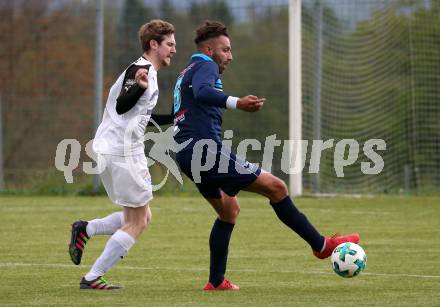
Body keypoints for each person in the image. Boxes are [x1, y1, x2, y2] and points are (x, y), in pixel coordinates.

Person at [172, 20, 360, 291]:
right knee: (277, 187)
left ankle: (215, 282)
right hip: (205, 151)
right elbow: (203, 93)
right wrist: (238, 102)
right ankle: (321, 246)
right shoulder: (205, 66)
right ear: (209, 49)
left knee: (229, 212)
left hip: (188, 154)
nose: (230, 56)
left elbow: (186, 109)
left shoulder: (185, 73)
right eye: (225, 50)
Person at [68, 19, 176, 290]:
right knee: (137, 222)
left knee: (142, 216)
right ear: (154, 44)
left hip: (114, 149)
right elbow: (122, 104)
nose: (174, 49)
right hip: (123, 152)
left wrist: (177, 117)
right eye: (170, 44)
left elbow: (141, 115)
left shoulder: (145, 72)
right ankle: (93, 277)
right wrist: (138, 87)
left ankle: (86, 229)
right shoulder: (141, 69)